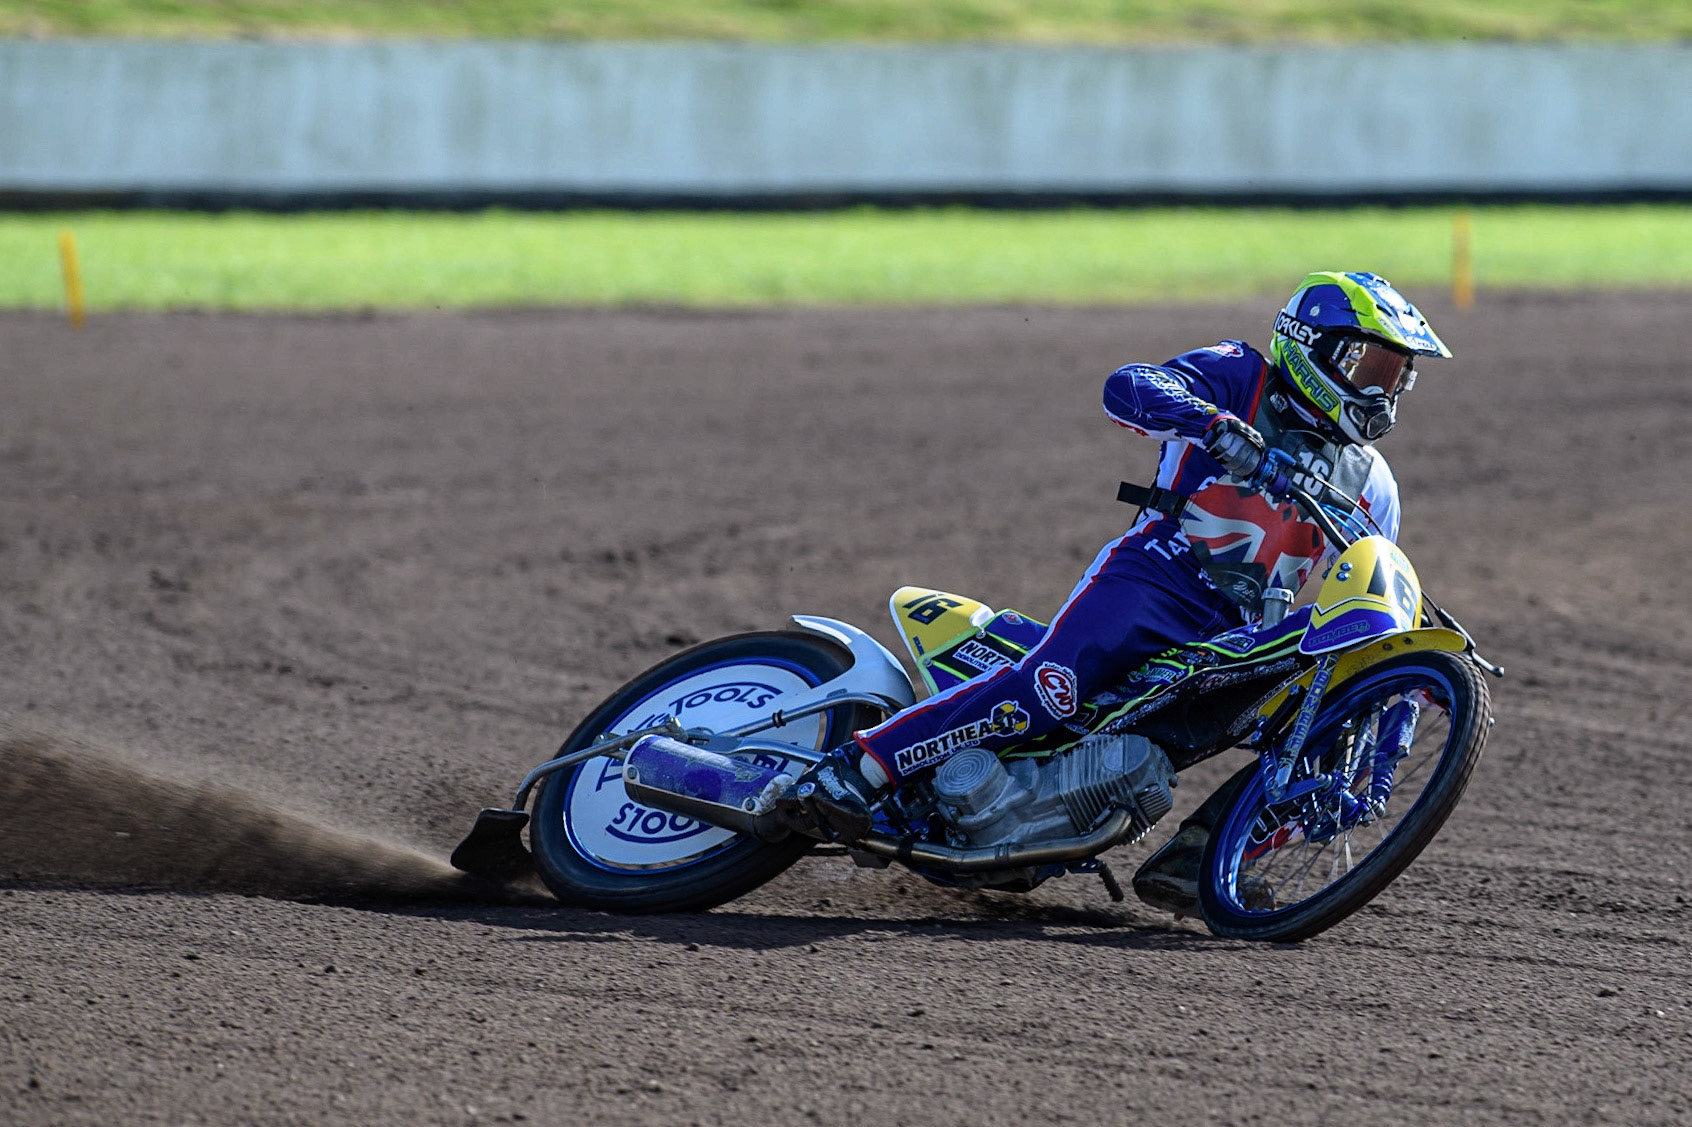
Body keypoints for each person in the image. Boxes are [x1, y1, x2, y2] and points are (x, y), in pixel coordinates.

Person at [776, 271, 1450, 915]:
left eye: (1398, 377)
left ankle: (1204, 859)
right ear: (1313, 348)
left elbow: (1371, 565)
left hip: (1240, 628)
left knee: (1321, 725)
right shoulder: (1242, 373)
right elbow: (1129, 385)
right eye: (1371, 368)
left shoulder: (1376, 482)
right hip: (1158, 575)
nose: (1383, 392)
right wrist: (1213, 425)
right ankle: (857, 767)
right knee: (1048, 689)